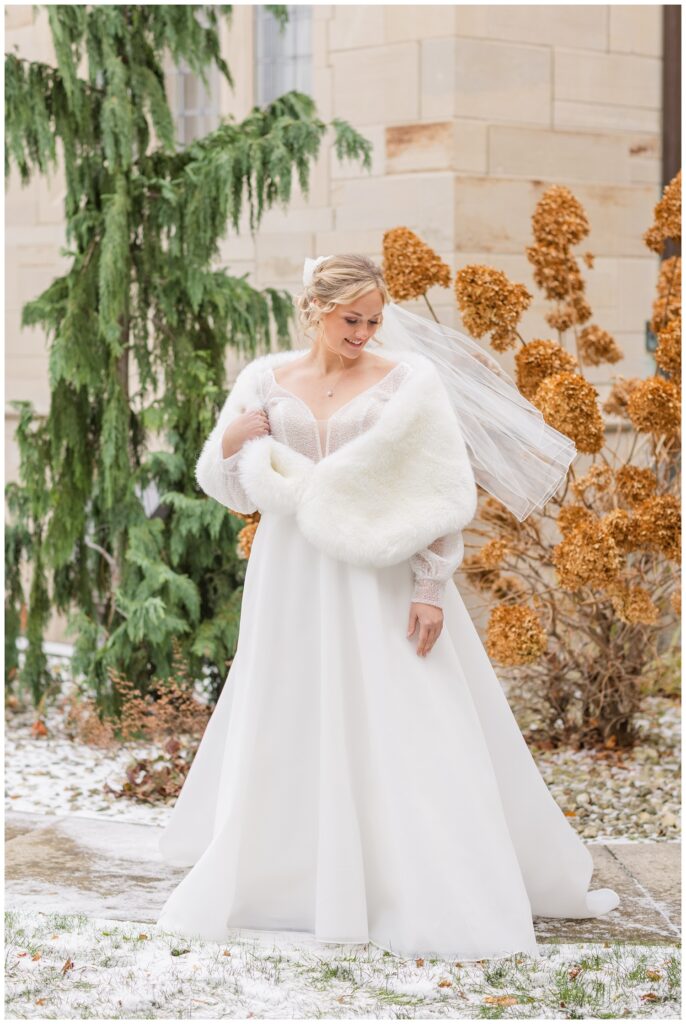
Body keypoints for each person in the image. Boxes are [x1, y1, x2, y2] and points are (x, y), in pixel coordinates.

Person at [156, 253, 619, 961]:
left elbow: (438, 489)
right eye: (351, 318)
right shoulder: (262, 379)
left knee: (408, 712)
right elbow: (230, 488)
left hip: (382, 576)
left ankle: (421, 880)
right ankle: (293, 880)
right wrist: (231, 441)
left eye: (374, 319)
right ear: (313, 309)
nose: (365, 332)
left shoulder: (410, 381)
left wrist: (433, 587)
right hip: (290, 577)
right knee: (289, 709)